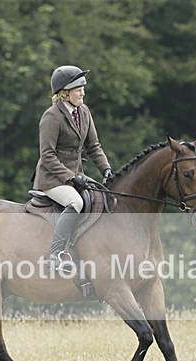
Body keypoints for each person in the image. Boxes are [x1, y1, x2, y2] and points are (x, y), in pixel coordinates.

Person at [33, 65, 114, 273]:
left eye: (83, 88)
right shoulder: (51, 117)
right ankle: (55, 254)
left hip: (76, 176)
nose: (83, 93)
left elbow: (93, 146)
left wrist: (106, 169)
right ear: (64, 93)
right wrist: (70, 178)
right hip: (52, 179)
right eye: (79, 89)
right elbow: (47, 156)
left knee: (101, 197)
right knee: (75, 202)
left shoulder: (84, 112)